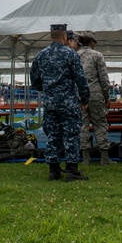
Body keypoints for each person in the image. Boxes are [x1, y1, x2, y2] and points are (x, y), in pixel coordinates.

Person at [30, 23, 90, 182]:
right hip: (68, 103)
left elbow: (34, 81)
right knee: (71, 136)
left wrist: (48, 90)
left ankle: (54, 170)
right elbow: (81, 79)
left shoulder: (41, 55)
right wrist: (84, 98)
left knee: (53, 136)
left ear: (52, 36)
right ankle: (72, 170)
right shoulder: (70, 54)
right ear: (65, 36)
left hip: (50, 103)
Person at [77, 31, 113, 165]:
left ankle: (85, 158)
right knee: (100, 124)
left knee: (82, 125)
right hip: (95, 94)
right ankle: (104, 157)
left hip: (80, 95)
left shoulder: (75, 55)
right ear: (91, 42)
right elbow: (103, 78)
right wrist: (107, 96)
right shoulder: (97, 55)